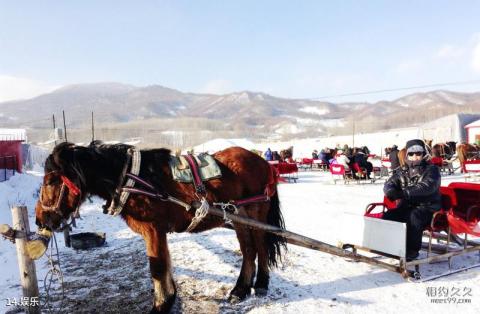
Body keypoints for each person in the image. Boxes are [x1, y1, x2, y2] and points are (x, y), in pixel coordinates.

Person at [382, 139, 441, 261]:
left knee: (414, 216)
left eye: (418, 153)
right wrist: (390, 191)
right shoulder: (402, 170)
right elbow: (389, 183)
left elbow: (427, 186)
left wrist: (404, 193)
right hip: (408, 205)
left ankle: (412, 250)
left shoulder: (432, 170)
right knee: (389, 215)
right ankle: (390, 245)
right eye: (411, 154)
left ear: (423, 154)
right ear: (407, 154)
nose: (415, 156)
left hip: (427, 207)